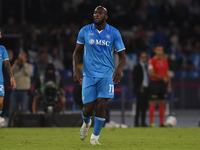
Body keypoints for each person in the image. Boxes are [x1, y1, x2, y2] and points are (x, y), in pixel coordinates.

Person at [73, 6, 126, 145]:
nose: (97, 15)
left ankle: (95, 138)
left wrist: (118, 69)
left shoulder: (114, 32)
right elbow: (76, 52)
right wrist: (75, 70)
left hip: (107, 75)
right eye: (95, 13)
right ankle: (86, 122)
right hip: (89, 75)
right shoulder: (85, 30)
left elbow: (122, 55)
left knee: (102, 105)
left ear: (106, 16)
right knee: (88, 108)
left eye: (100, 13)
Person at [148, 44, 171, 127]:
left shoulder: (165, 61)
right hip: (155, 83)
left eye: (161, 50)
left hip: (163, 84)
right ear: (155, 51)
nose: (159, 51)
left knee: (162, 102)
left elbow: (167, 72)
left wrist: (169, 85)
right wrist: (162, 78)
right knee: (153, 102)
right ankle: (151, 122)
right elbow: (152, 73)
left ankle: (161, 122)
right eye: (158, 50)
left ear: (163, 51)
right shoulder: (151, 61)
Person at [0, 28, 17, 125]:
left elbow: (7, 63)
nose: (1, 36)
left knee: (1, 102)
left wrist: (11, 76)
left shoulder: (2, 49)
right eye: (0, 34)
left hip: (0, 80)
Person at [9, 52, 33, 117]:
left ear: (26, 59)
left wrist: (24, 63)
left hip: (24, 90)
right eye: (19, 58)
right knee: (12, 108)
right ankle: (11, 124)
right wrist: (14, 65)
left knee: (24, 109)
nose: (20, 60)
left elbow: (28, 72)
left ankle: (24, 124)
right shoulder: (16, 66)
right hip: (15, 90)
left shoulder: (29, 66)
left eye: (22, 58)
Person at [133, 52, 149, 127]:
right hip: (140, 89)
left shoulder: (146, 66)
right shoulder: (137, 67)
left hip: (146, 88)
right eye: (142, 57)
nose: (144, 59)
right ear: (139, 58)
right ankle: (136, 123)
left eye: (145, 57)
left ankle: (143, 122)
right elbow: (134, 79)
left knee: (145, 106)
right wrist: (137, 88)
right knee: (139, 107)